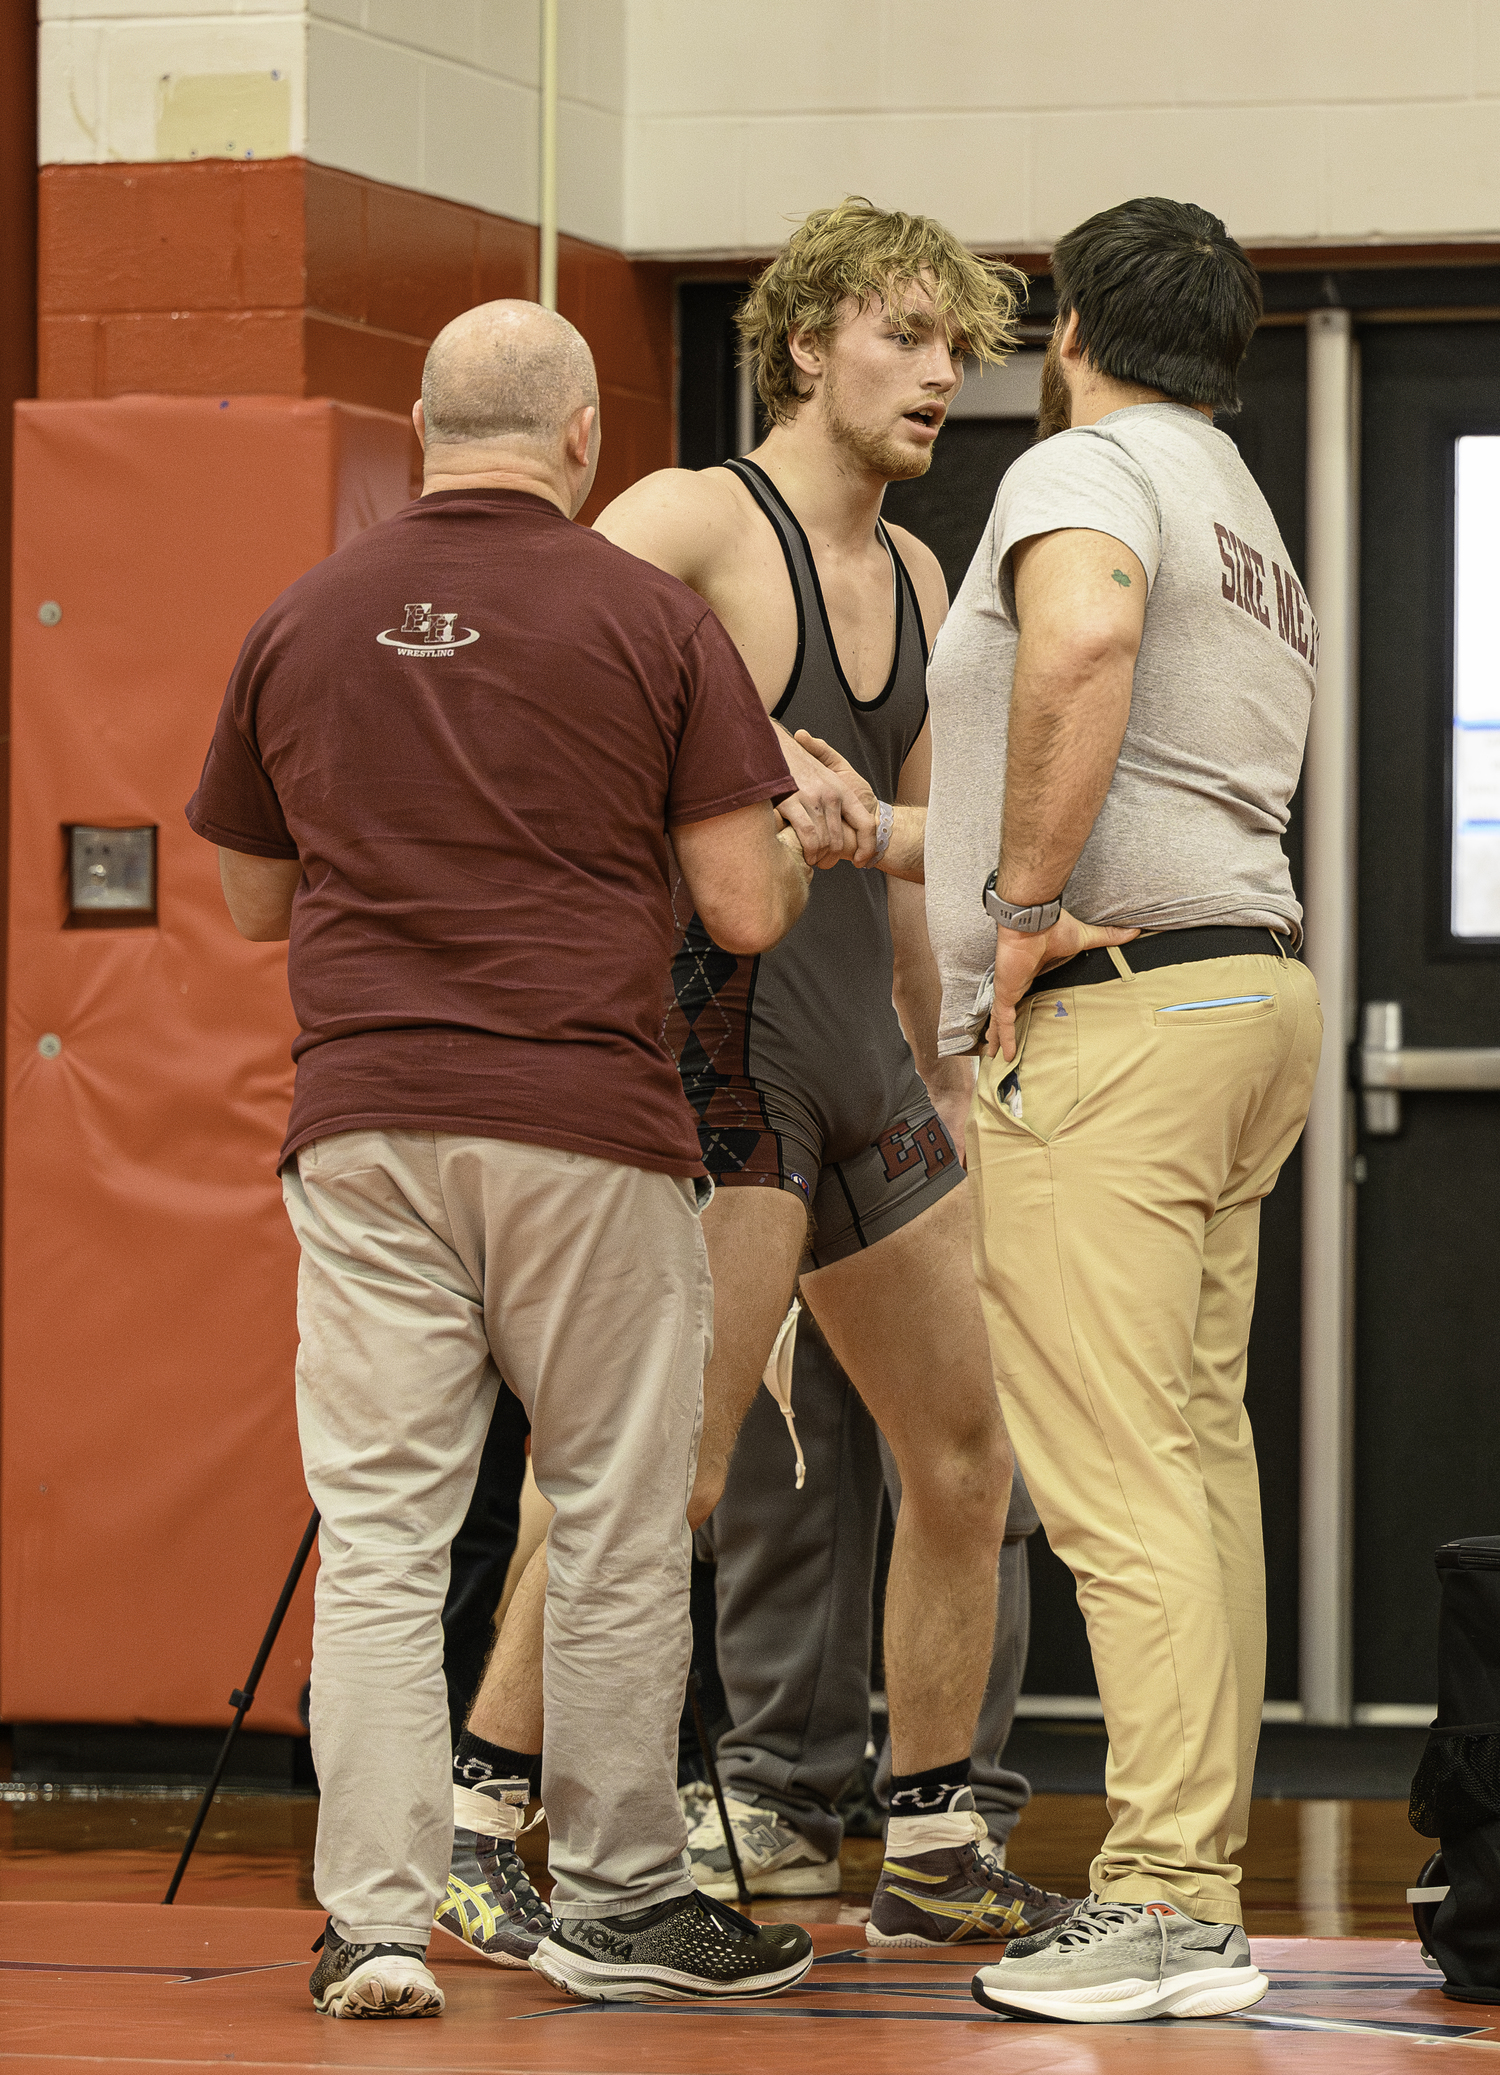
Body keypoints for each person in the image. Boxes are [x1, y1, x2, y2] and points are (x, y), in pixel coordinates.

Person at [439, 199, 1078, 1959]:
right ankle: (486, 1817)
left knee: (967, 1455)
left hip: (857, 1055)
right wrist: (703, 777)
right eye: (906, 338)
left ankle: (934, 1838)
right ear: (806, 345)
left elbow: (917, 860)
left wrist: (944, 1069)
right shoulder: (688, 521)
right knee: (669, 1477)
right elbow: (525, 721)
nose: (946, 373)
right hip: (708, 1050)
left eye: (961, 345)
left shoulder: (932, 578)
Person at [185, 299, 819, 2014]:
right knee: (613, 1520)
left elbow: (252, 900)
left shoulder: (300, 617)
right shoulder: (645, 616)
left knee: (383, 1536)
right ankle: (617, 1903)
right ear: (585, 436)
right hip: (585, 1128)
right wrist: (806, 842)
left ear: (417, 423)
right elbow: (746, 906)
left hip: (367, 1123)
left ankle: (378, 1924)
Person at [924, 197, 1323, 2023]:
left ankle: (1165, 1900)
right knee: (1196, 1460)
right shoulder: (1246, 510)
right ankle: (1202, 1884)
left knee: (1117, 1476)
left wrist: (1010, 918)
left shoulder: (1082, 473)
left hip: (1124, 1015)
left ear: (1066, 325)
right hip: (1245, 995)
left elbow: (1079, 643)